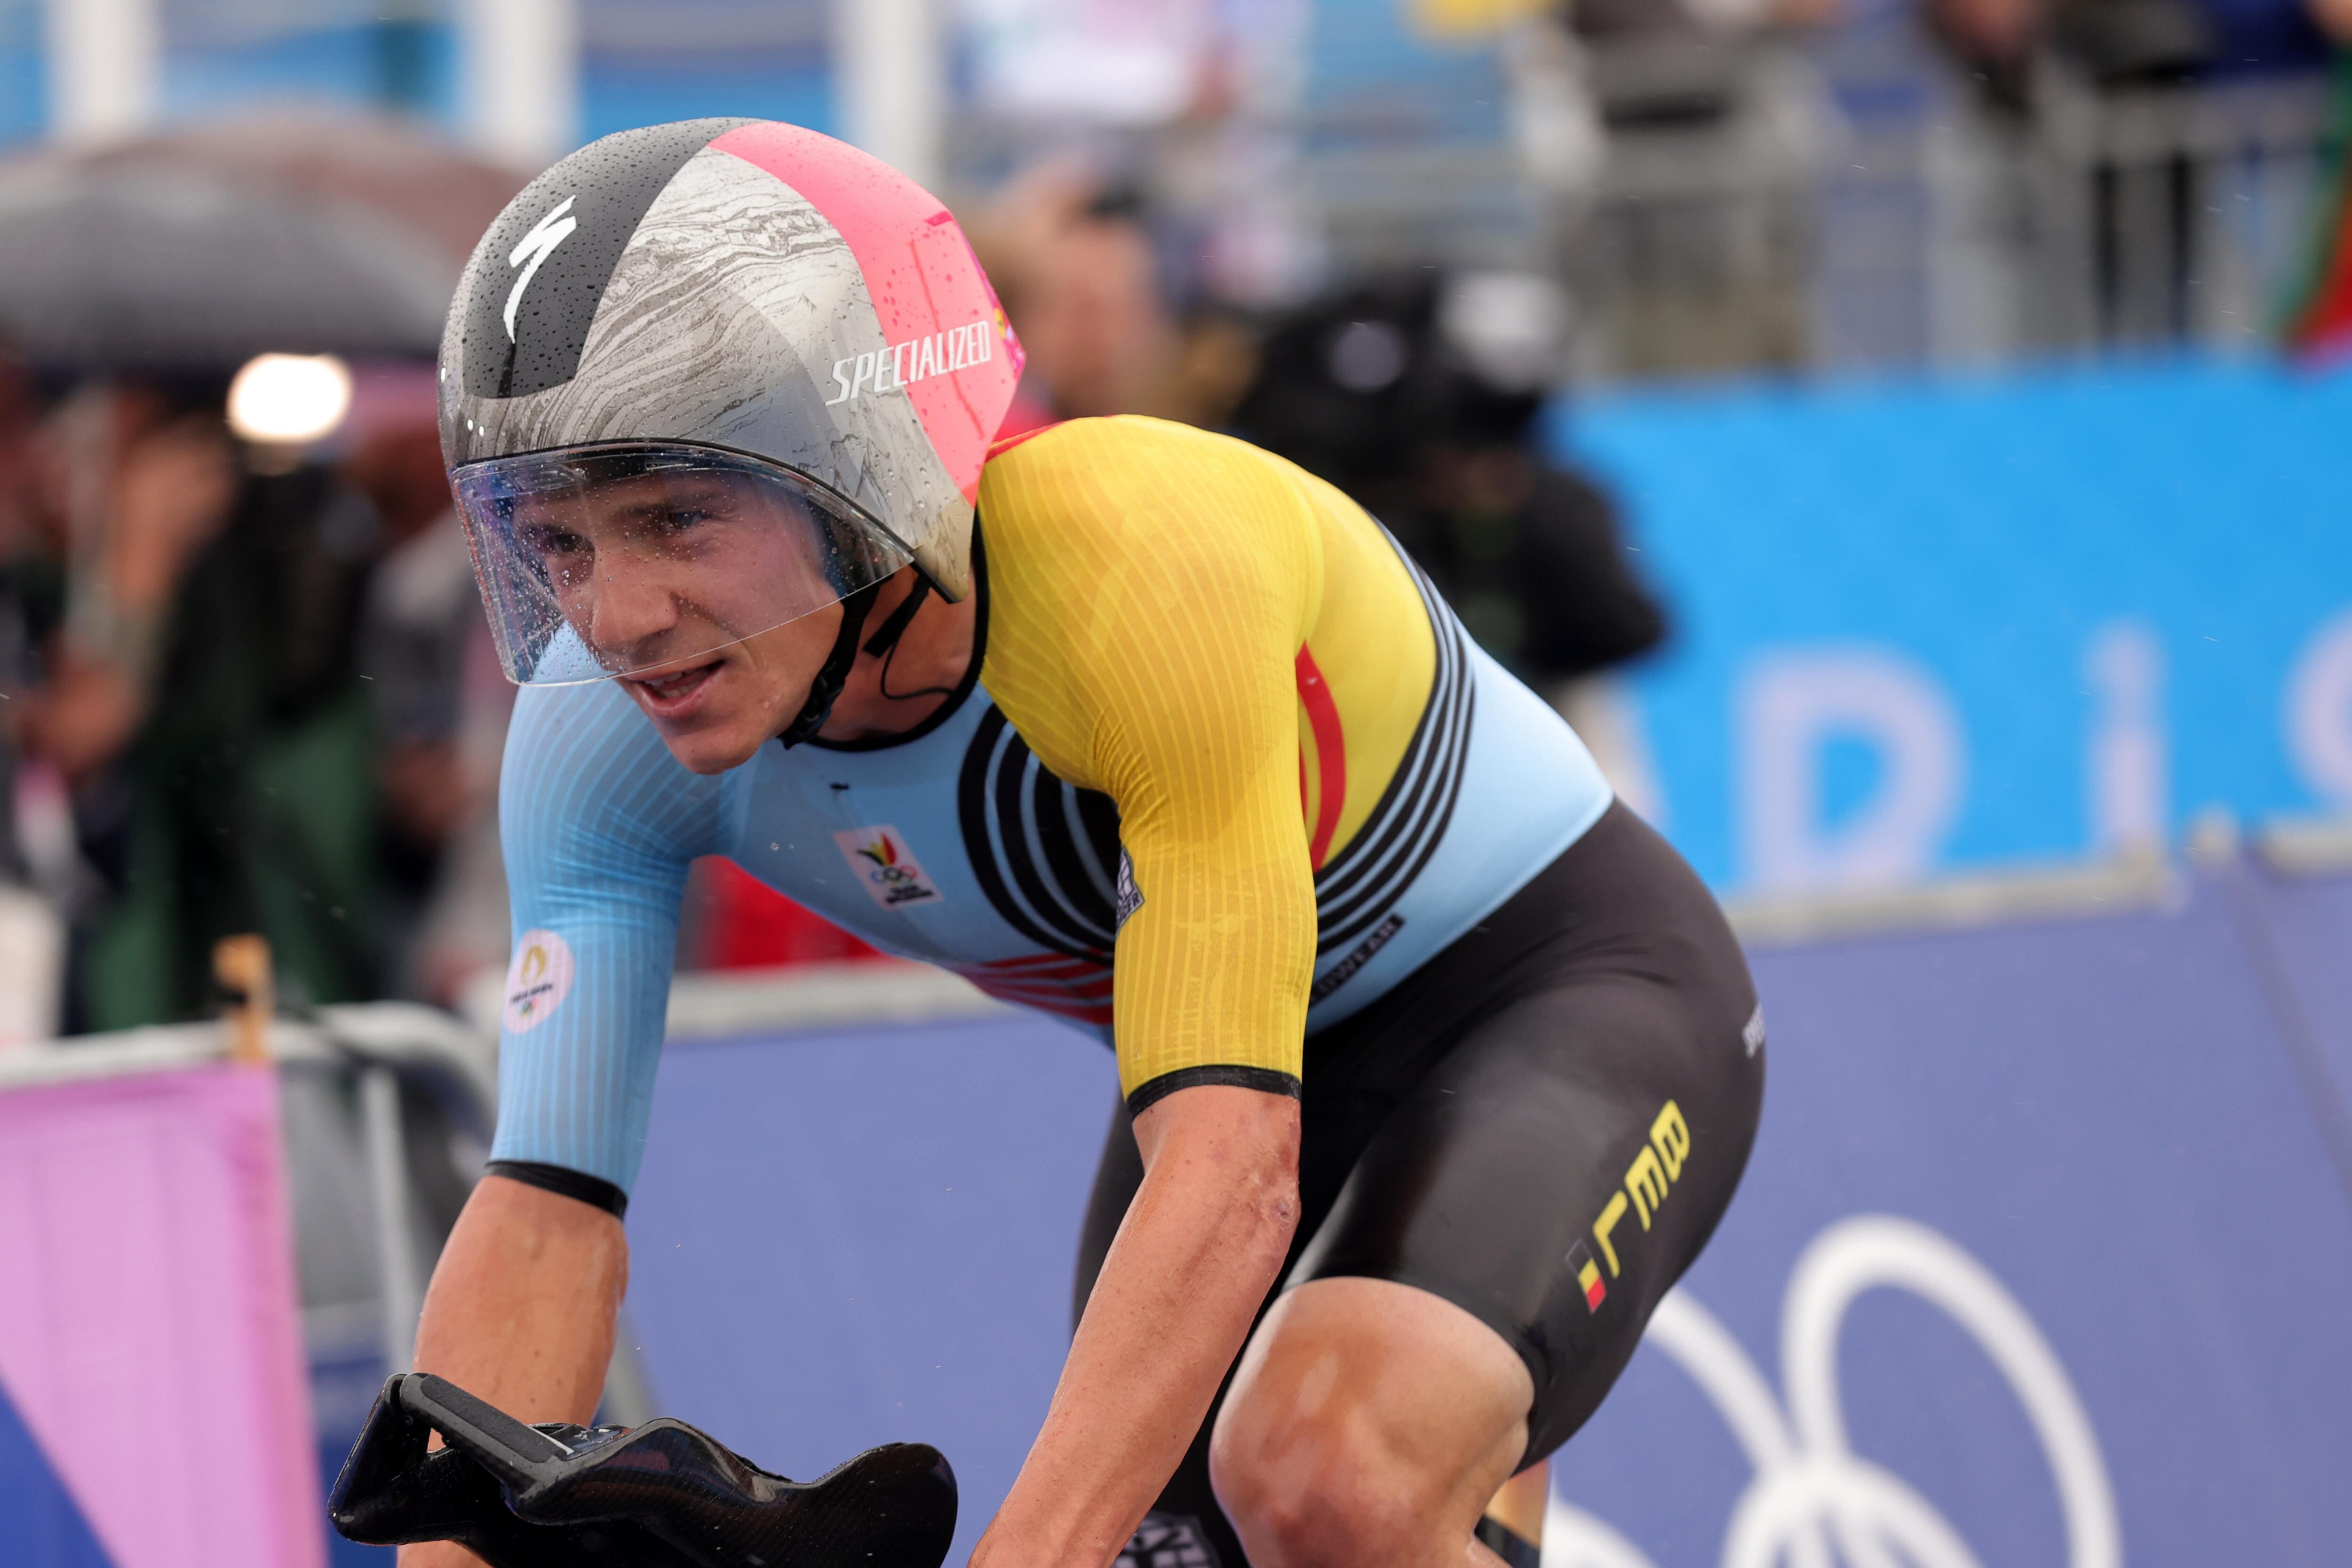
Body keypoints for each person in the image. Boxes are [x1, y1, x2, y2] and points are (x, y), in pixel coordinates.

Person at [413, 118, 1763, 1568]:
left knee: (1328, 1475)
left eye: (675, 517)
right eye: (557, 544)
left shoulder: (1136, 563)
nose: (614, 620)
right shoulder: (591, 740)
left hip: (1557, 993)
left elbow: (1236, 1161)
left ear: (861, 472)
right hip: (1245, 1067)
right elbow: (546, 1219)